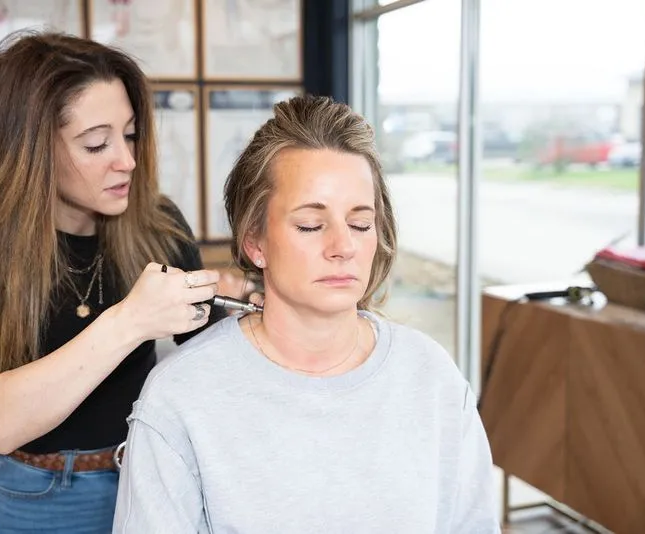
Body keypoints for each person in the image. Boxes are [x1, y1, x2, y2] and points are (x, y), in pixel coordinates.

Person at [113, 95, 500, 533]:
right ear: (254, 241)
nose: (344, 246)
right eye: (310, 226)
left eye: (360, 223)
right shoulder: (181, 397)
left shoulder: (432, 379)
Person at [0, 31, 227, 533]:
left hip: (151, 477)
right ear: (30, 149)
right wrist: (129, 321)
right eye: (96, 144)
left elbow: (209, 352)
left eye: (130, 135)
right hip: (41, 497)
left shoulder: (157, 224)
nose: (127, 160)